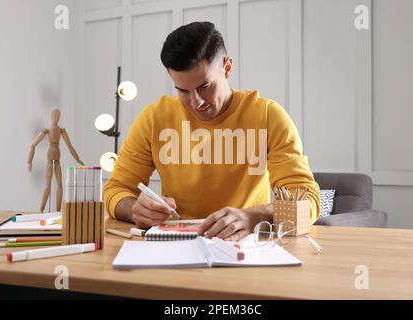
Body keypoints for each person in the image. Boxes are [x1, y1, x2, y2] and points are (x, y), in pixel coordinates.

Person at [103, 21, 320, 241]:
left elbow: (308, 201)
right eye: (182, 91)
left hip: (247, 247)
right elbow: (115, 190)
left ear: (227, 68)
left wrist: (253, 216)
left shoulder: (267, 115)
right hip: (175, 244)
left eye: (204, 87)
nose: (196, 102)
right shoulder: (154, 118)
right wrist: (134, 209)